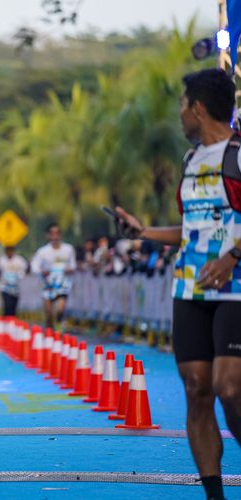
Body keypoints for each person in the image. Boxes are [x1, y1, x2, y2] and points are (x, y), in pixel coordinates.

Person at [116, 69, 241, 500]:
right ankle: (214, 495)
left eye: (183, 105)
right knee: (196, 388)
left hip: (236, 288)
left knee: (230, 386)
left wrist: (233, 256)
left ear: (198, 108)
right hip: (189, 289)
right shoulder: (191, 162)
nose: (181, 114)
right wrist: (143, 232)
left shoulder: (238, 154)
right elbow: (192, 229)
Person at [30, 223, 76, 329]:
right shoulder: (43, 251)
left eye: (57, 233)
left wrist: (70, 270)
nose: (55, 236)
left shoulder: (68, 249)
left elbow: (73, 265)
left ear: (60, 235)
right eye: (52, 234)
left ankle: (59, 329)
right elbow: (34, 266)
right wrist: (42, 271)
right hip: (48, 286)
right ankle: (49, 334)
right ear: (48, 236)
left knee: (60, 311)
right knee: (49, 314)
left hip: (63, 285)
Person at [0, 245, 28, 317]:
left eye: (11, 250)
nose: (9, 252)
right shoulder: (1, 260)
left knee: (13, 306)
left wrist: (21, 274)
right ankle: (6, 320)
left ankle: (12, 320)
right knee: (7, 305)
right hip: (5, 287)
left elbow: (26, 268)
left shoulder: (19, 260)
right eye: (8, 250)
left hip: (16, 287)